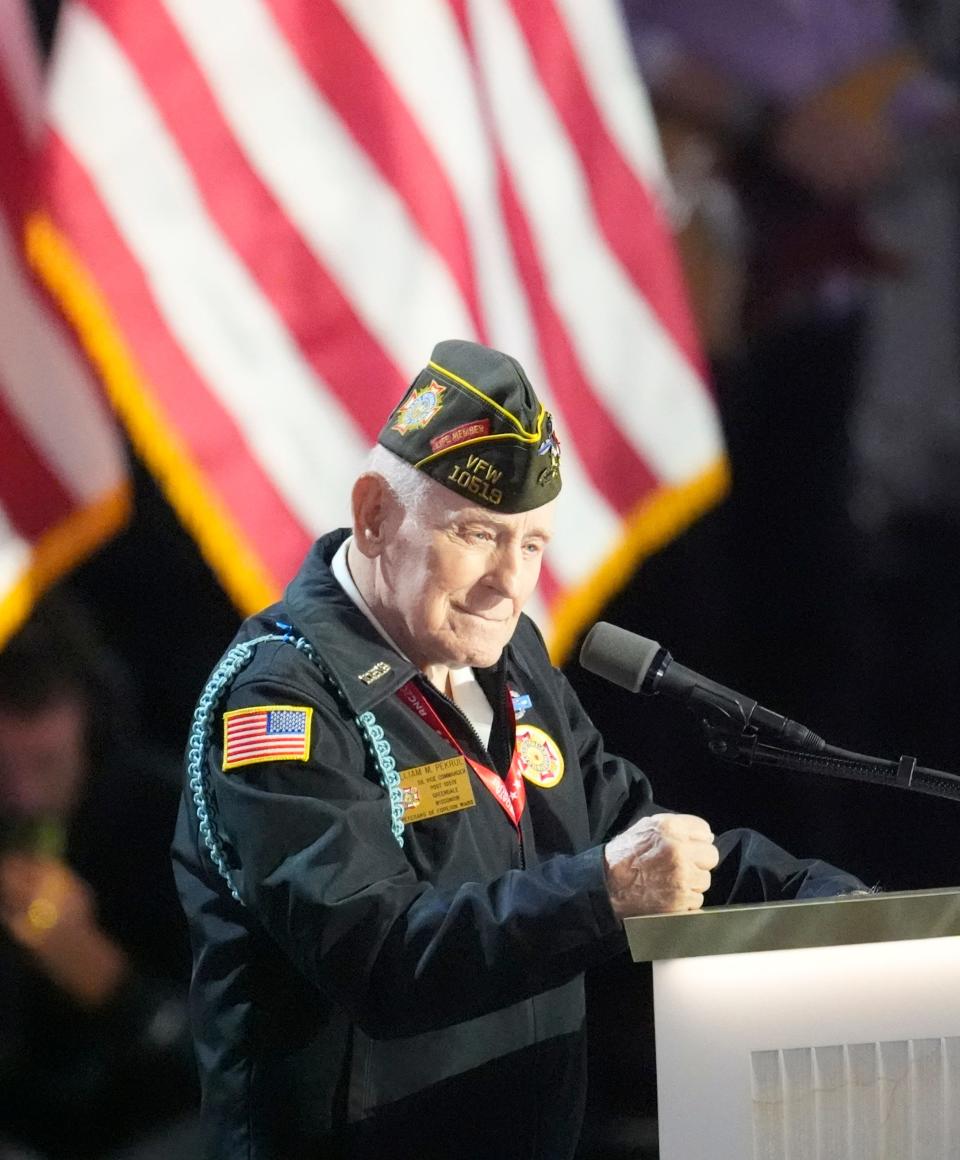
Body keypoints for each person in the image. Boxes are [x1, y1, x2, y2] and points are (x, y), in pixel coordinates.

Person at [172, 339, 864, 1160]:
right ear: (374, 514)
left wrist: (845, 911)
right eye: (478, 533)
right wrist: (602, 893)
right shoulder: (279, 702)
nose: (510, 581)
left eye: (532, 545)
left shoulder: (511, 658)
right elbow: (380, 958)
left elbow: (637, 834)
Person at [0, 598, 199, 1159]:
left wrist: (102, 976)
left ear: (87, 708)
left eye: (43, 762)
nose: (21, 797)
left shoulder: (177, 822)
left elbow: (240, 1064)